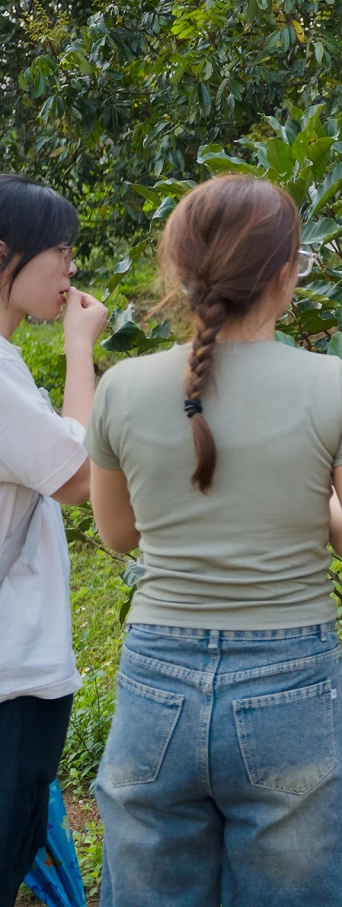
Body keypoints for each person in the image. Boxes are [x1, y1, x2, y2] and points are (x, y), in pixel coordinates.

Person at [85, 175, 342, 907]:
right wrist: (312, 503)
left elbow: (115, 534)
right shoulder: (335, 385)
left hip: (154, 680)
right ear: (285, 272)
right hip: (289, 681)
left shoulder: (121, 388)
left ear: (181, 271)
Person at [0, 177, 109, 904]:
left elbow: (67, 454)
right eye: (60, 251)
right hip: (12, 678)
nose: (69, 269)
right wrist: (80, 348)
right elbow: (86, 478)